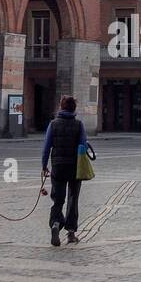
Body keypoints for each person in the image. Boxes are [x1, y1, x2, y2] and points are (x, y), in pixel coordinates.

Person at [41, 94, 89, 246]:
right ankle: (71, 233)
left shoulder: (53, 124)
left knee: (58, 198)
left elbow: (46, 147)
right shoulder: (79, 125)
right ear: (74, 108)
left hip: (58, 165)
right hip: (74, 167)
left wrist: (44, 166)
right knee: (73, 199)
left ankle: (55, 223)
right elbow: (83, 146)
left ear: (61, 107)